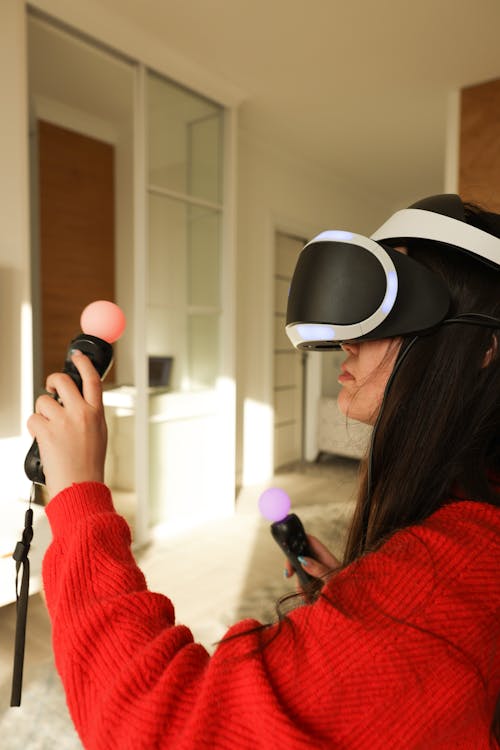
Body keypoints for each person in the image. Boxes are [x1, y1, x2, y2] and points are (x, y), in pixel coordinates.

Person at [29, 195, 499, 749]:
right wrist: (360, 609)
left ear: (485, 345)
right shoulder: (465, 533)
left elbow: (163, 729)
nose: (347, 339)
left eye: (389, 307)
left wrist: (80, 499)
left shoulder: (448, 581)